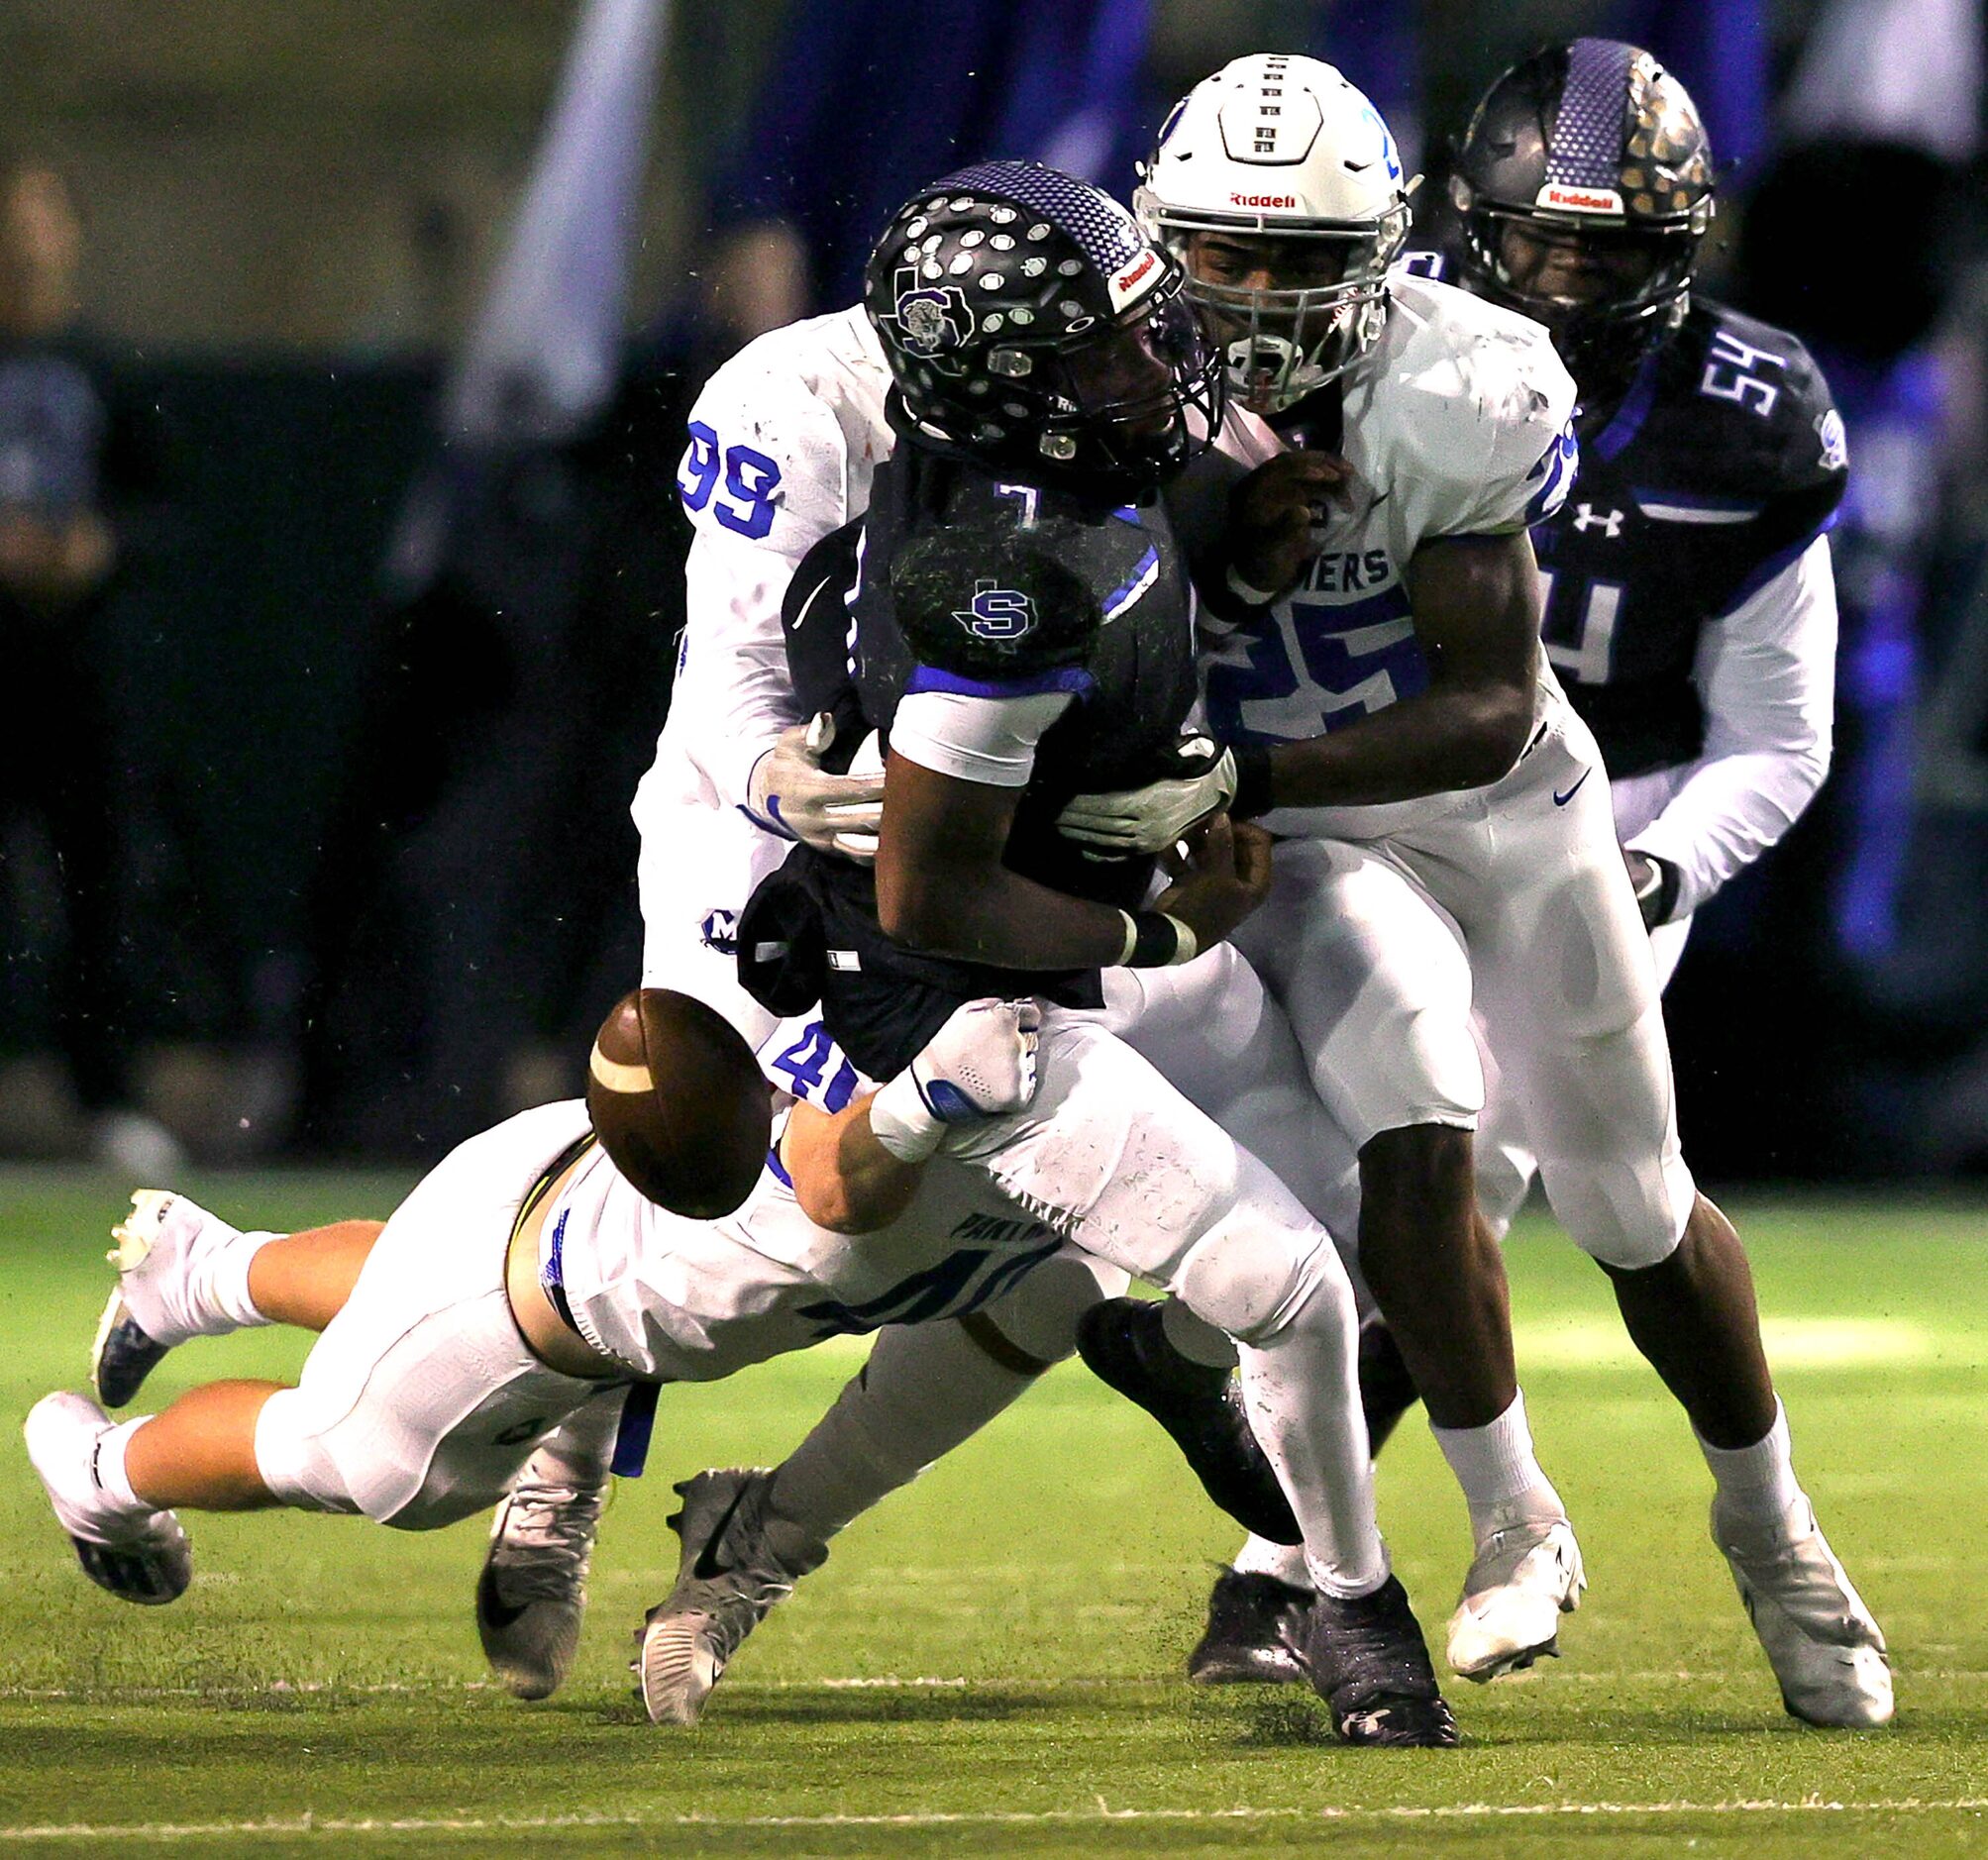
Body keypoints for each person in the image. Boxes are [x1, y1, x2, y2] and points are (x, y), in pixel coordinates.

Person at [1094, 45, 1888, 1730]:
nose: (1248, 302)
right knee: (1420, 1131)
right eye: (1217, 257)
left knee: (1625, 1197)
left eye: (1296, 264)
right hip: (1319, 832)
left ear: (1383, 254)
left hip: (1495, 808)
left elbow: (1490, 711)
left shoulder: (1468, 377)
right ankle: (1503, 1518)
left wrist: (1232, 774)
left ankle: (1774, 1527)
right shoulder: (1105, 382)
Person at [710, 158, 1456, 1747]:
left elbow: (1125, 559)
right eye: (1112, 346)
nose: (1158, 358)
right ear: (1014, 387)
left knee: (1314, 1219)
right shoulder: (1000, 573)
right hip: (985, 997)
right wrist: (1156, 916)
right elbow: (931, 894)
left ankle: (759, 1535)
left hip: (1077, 958)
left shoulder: (1053, 476)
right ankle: (1352, 1612)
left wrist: (1238, 553)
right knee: (693, 1304)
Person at [29, 989, 1077, 1710]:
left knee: (423, 1283)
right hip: (508, 1308)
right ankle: (100, 1471)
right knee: (368, 1462)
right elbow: (844, 1183)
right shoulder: (843, 1191)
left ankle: (205, 1270)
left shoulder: (892, 1022)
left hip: (554, 1164)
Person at [0, 157, 181, 1176]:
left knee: (100, 877)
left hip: (85, 670)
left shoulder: (109, 370)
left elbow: (172, 510)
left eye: (40, 222)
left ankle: (105, 1095)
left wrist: (96, 545)